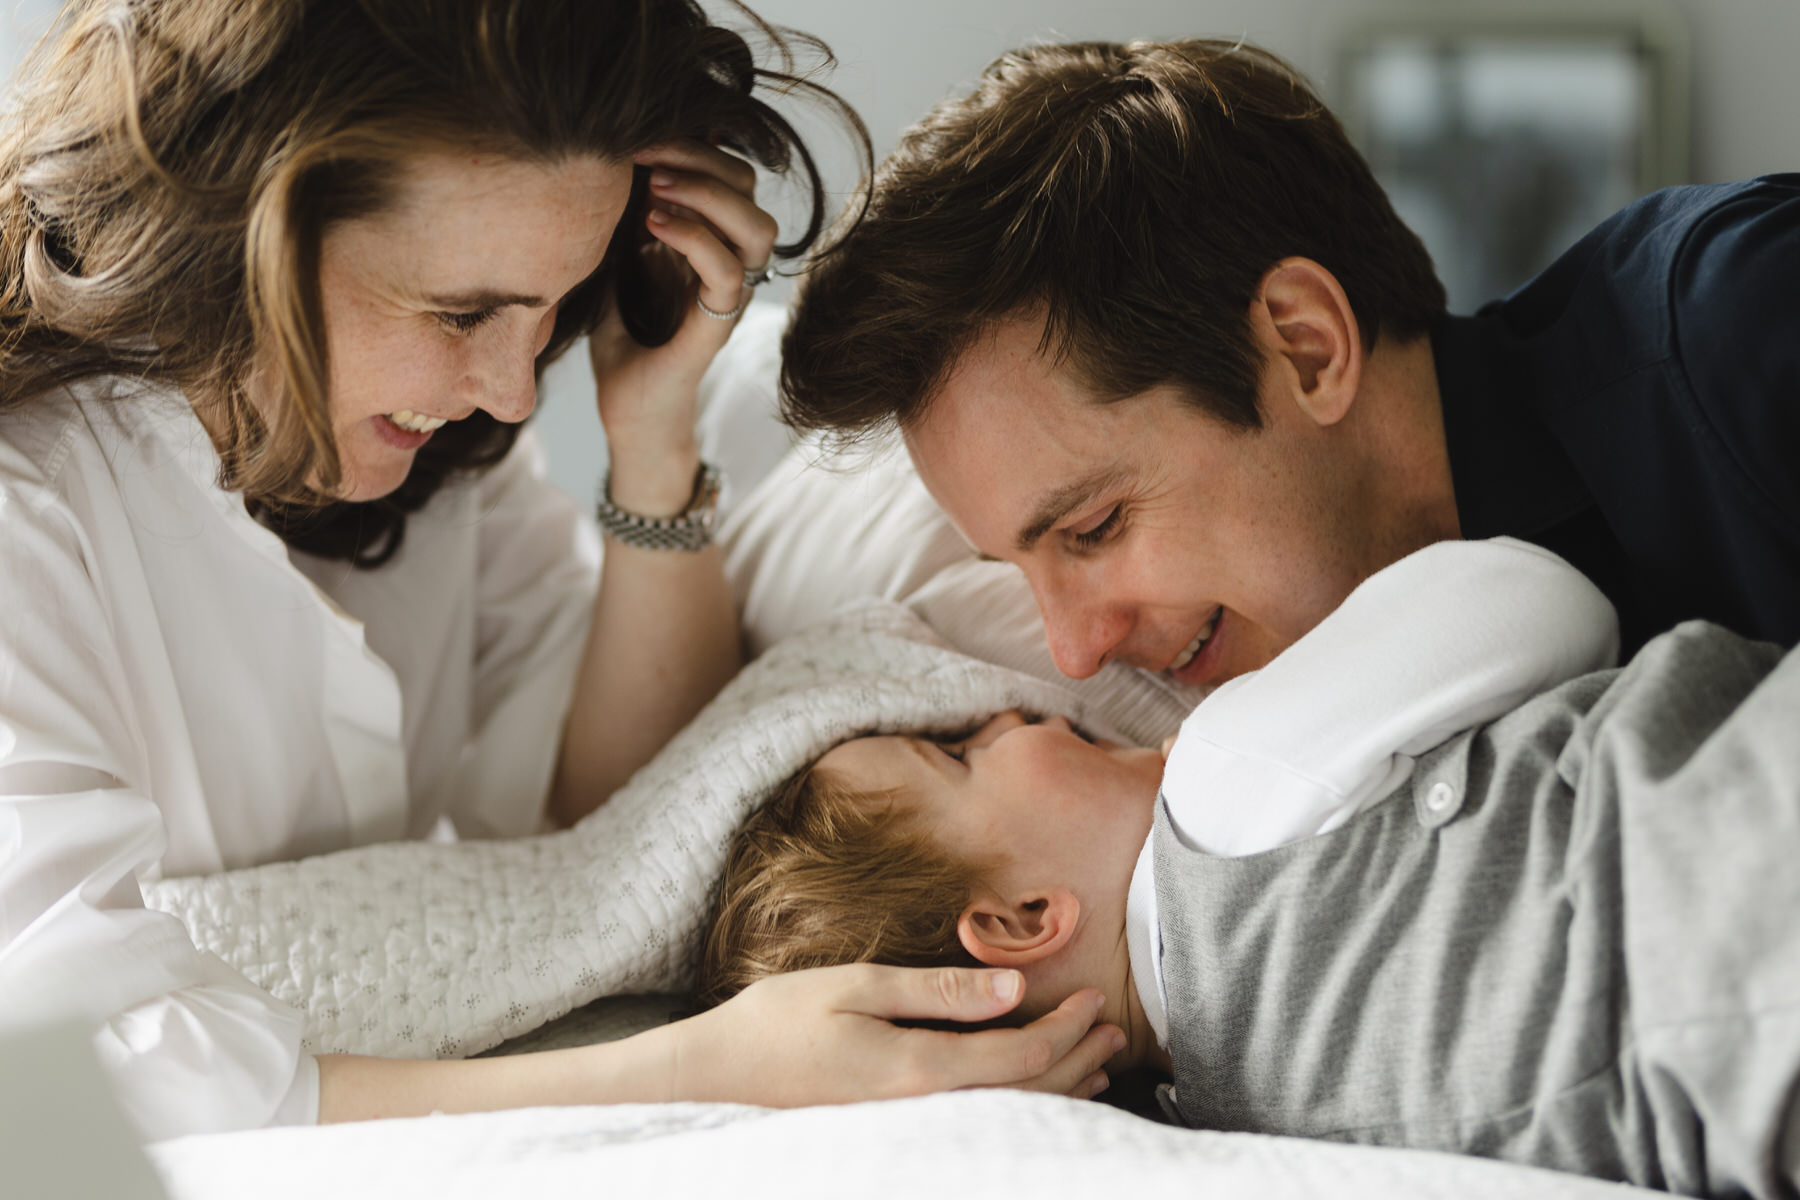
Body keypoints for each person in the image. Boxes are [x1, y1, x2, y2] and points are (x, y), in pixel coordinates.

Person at [0, 0, 1117, 1140]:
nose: (513, 390)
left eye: (545, 311)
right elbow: (62, 1088)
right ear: (238, 235)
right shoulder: (28, 516)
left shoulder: (432, 453)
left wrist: (654, 440)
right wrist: (700, 1068)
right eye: (460, 312)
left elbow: (617, 813)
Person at [699, 538, 1800, 1200]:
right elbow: (1541, 596)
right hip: (1727, 834)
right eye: (959, 753)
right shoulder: (1220, 782)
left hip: (1720, 1100)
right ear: (1027, 916)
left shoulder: (1216, 1120)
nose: (1003, 708)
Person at [778, 38, 1800, 689]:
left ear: (1307, 347)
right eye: (1017, 569)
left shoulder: (1739, 322)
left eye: (1094, 528)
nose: (1075, 653)